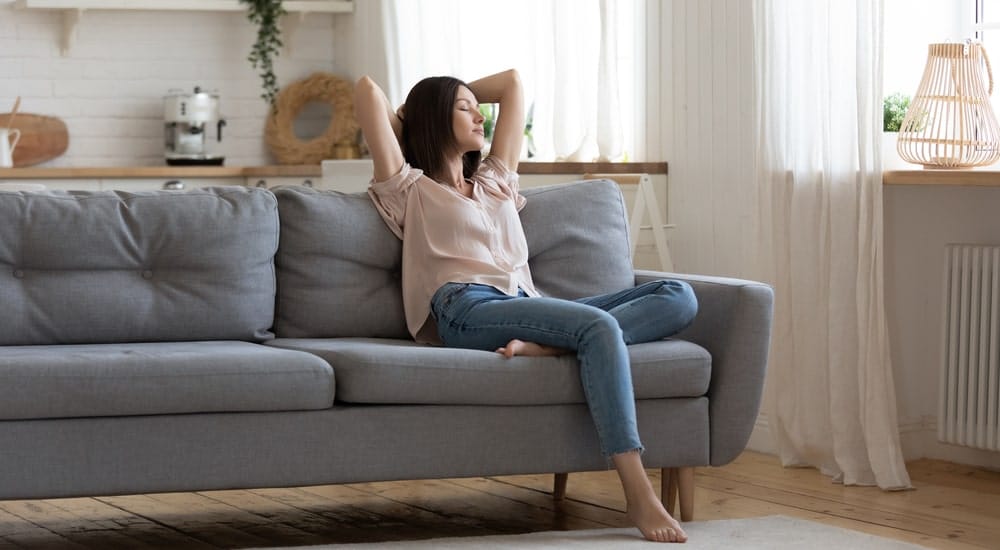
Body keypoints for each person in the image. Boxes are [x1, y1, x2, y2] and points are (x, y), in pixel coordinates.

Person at [354, 69, 697, 543]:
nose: (480, 115)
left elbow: (513, 83)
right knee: (597, 329)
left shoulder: (495, 181)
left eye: (478, 106)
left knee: (679, 295)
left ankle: (551, 345)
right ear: (434, 119)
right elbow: (367, 90)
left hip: (523, 303)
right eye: (464, 107)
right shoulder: (409, 188)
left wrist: (459, 99)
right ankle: (638, 491)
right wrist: (413, 120)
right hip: (464, 306)